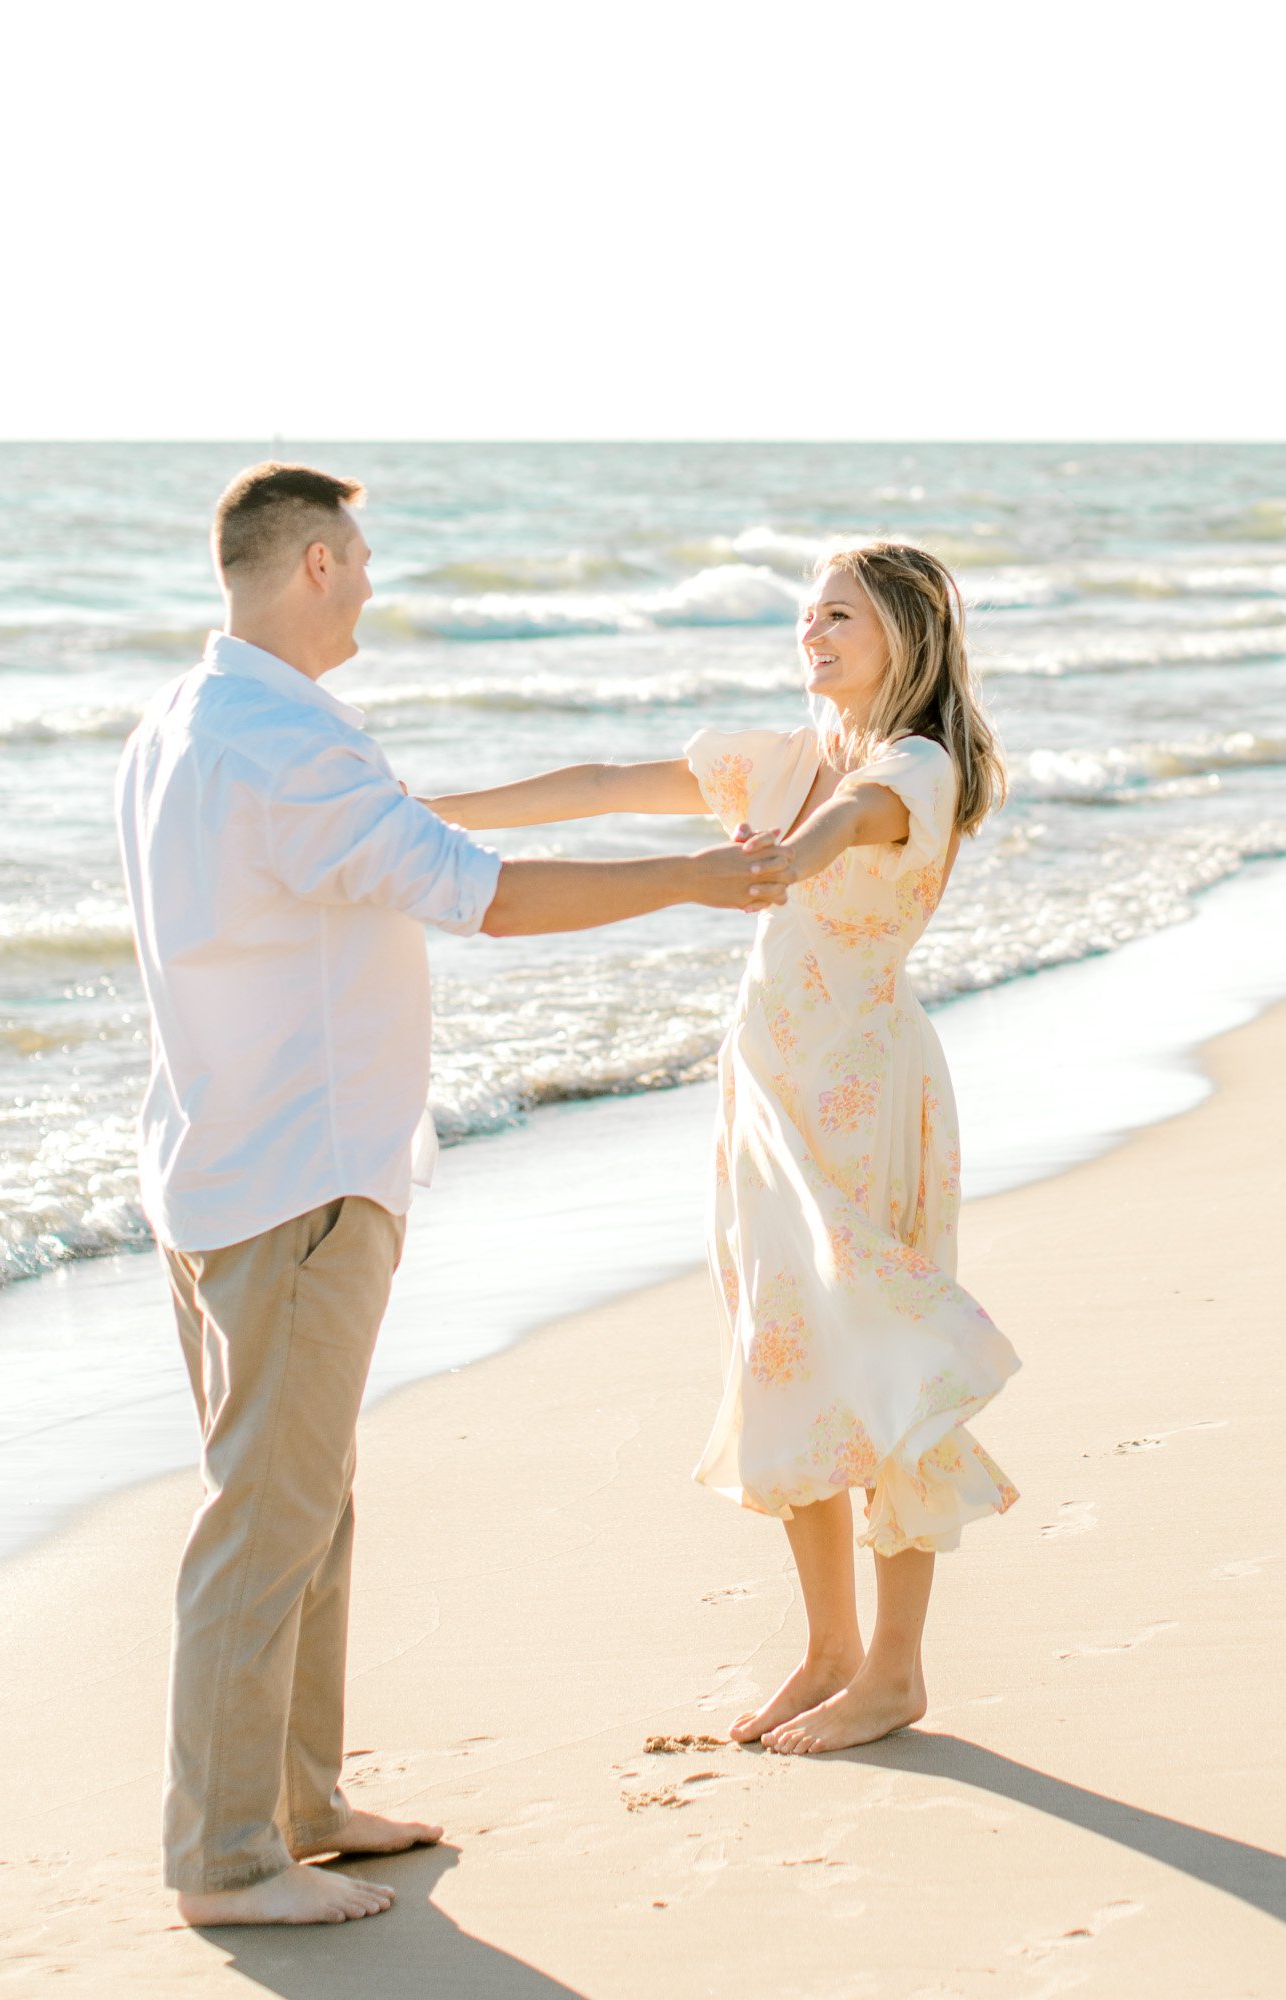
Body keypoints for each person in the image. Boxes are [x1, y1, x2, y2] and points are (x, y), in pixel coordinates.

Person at [114, 462, 794, 1928]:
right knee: (267, 1515)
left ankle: (299, 1800)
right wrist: (689, 875)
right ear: (308, 563)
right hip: (294, 1174)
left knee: (309, 1499)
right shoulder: (277, 743)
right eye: (356, 558)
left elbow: (366, 866)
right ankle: (225, 1860)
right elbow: (479, 891)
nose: (370, 581)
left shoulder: (192, 716)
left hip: (222, 1158)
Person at [422, 540, 1021, 1758]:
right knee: (783, 1355)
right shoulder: (784, 756)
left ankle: (895, 1668)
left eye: (839, 613)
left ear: (903, 631)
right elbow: (599, 781)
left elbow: (857, 820)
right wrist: (426, 815)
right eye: (806, 612)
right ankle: (829, 1647)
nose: (813, 630)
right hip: (765, 1098)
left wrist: (794, 853)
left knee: (884, 1361)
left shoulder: (915, 764)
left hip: (860, 1099)